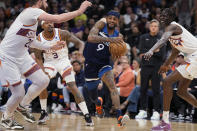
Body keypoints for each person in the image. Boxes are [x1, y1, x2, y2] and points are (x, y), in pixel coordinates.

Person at [0, 0, 92, 129]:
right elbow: (58, 18)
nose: (47, 3)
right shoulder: (32, 12)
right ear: (39, 1)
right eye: (45, 1)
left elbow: (32, 43)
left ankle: (22, 106)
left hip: (22, 55)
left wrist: (51, 46)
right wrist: (80, 11)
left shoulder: (32, 21)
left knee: (43, 80)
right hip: (7, 56)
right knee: (18, 93)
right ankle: (6, 118)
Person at [144, 8, 197, 131]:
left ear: (172, 18)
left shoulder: (172, 27)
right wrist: (166, 64)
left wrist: (151, 50)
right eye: (161, 15)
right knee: (181, 92)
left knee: (167, 81)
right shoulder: (171, 30)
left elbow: (162, 40)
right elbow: (176, 50)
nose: (162, 16)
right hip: (192, 57)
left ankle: (165, 122)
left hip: (195, 56)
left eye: (166, 15)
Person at [33, 21, 93, 126]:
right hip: (49, 63)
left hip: (63, 61)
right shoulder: (38, 39)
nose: (50, 24)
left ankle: (86, 114)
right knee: (42, 83)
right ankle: (43, 112)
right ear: (42, 26)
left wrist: (81, 53)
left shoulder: (62, 33)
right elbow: (38, 57)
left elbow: (80, 43)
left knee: (72, 86)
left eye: (51, 23)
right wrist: (42, 71)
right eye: (47, 23)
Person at [83, 10, 129, 126]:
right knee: (92, 95)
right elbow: (90, 38)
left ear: (118, 21)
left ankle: (119, 115)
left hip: (104, 64)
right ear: (106, 18)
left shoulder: (119, 36)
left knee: (112, 86)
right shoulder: (100, 25)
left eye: (115, 19)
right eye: (110, 18)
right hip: (91, 63)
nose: (112, 20)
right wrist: (110, 40)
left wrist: (113, 65)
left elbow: (115, 54)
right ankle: (98, 102)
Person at [136, 19, 165, 120]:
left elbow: (162, 55)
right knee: (143, 89)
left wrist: (149, 52)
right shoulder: (143, 37)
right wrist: (155, 51)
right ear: (149, 27)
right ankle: (143, 110)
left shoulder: (162, 39)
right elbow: (141, 53)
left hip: (156, 67)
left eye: (155, 26)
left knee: (156, 90)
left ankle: (156, 111)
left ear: (158, 28)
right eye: (152, 26)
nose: (153, 27)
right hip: (145, 66)